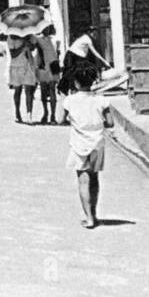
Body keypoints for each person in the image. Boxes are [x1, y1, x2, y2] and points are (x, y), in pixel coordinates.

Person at [63, 65, 114, 228]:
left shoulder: (70, 100)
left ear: (76, 83)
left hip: (79, 144)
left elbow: (59, 119)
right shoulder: (101, 100)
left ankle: (89, 217)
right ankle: (95, 213)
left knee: (83, 181)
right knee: (94, 179)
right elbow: (110, 122)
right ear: (93, 81)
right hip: (97, 143)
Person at [7, 34, 39, 124]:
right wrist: (22, 46)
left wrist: (29, 43)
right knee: (18, 90)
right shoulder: (11, 37)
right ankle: (17, 112)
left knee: (29, 91)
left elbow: (33, 48)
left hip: (28, 65)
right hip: (16, 66)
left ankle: (29, 115)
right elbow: (13, 54)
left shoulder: (28, 35)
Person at [33, 26, 60, 125]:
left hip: (52, 66)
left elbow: (57, 53)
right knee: (43, 90)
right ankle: (45, 112)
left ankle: (53, 114)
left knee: (52, 90)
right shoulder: (37, 39)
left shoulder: (54, 39)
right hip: (43, 66)